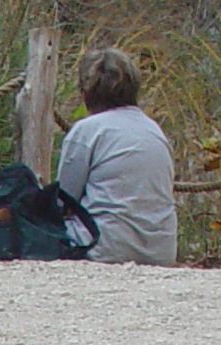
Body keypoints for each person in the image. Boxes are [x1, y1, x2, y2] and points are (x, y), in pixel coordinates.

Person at [54, 48, 179, 264]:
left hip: (105, 247)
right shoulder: (154, 130)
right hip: (161, 251)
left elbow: (63, 200)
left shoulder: (87, 130)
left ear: (85, 94)